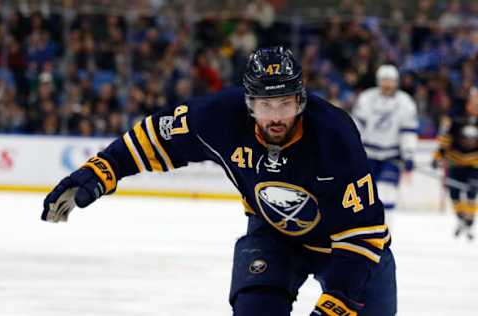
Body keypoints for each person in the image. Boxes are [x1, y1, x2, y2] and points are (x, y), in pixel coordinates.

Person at [42, 47, 396, 316]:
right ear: (249, 103)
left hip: (345, 249)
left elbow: (361, 235)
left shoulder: (334, 133)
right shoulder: (220, 116)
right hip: (274, 235)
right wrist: (101, 170)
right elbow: (154, 136)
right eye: (265, 105)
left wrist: (336, 305)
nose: (276, 117)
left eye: (285, 104)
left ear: (300, 100)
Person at [352, 65, 418, 225]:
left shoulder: (405, 103)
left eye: (391, 81)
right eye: (384, 81)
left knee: (388, 193)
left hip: (392, 156)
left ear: (396, 82)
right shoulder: (366, 98)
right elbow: (356, 126)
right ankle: (364, 230)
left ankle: (385, 232)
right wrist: (351, 147)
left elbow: (408, 131)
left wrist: (408, 154)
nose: (387, 85)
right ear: (378, 81)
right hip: (368, 154)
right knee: (364, 195)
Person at [433, 87, 478, 241]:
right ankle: (461, 219)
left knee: (472, 192)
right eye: (474, 99)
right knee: (454, 194)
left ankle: (470, 221)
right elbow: (446, 139)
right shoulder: (457, 117)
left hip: (474, 164)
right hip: (455, 163)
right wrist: (437, 156)